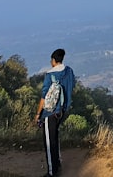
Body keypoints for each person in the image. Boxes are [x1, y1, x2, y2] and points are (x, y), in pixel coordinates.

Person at [35, 48, 75, 177]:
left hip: (49, 113)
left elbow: (43, 97)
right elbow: (71, 86)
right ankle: (58, 164)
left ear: (53, 60)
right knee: (55, 138)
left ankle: (52, 172)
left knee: (48, 142)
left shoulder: (50, 75)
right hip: (62, 111)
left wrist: (37, 114)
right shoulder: (69, 71)